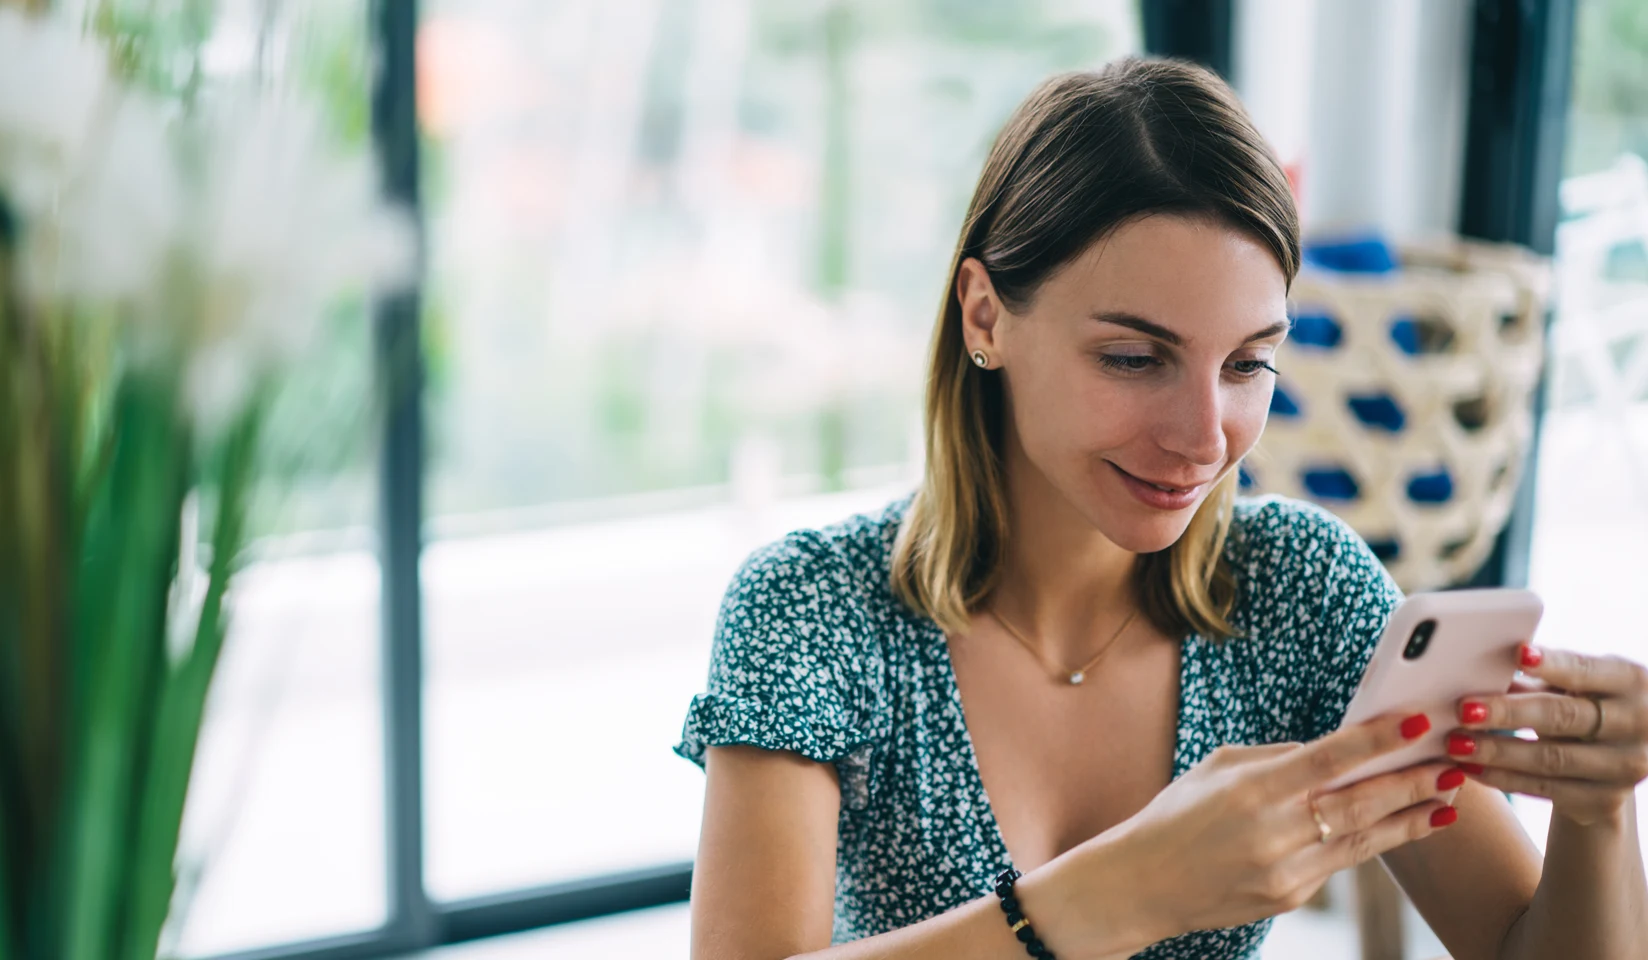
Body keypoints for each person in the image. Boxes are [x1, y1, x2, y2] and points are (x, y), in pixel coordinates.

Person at [675, 57, 1648, 960]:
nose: (1204, 437)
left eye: (1248, 364)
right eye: (1135, 359)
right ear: (985, 316)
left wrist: (1598, 815)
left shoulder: (1298, 593)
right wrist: (1126, 890)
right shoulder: (812, 610)